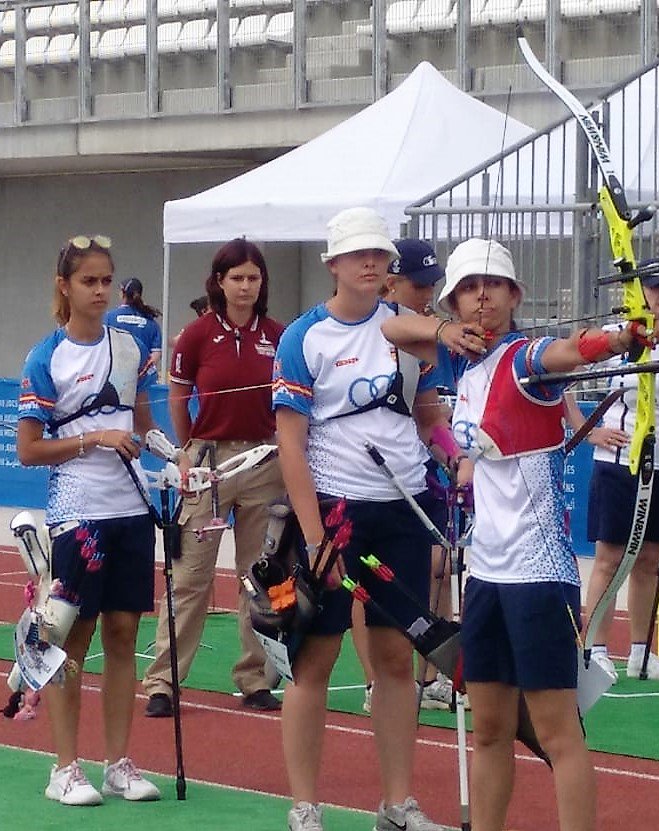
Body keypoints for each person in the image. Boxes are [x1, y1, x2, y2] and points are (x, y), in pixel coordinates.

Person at [382, 237, 659, 831]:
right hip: (485, 573)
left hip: (537, 576)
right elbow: (390, 329)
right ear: (453, 300)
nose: (481, 296)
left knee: (558, 733)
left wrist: (617, 339)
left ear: (515, 295)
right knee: (488, 729)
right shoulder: (464, 360)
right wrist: (443, 331)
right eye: (468, 287)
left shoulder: (521, 358)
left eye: (494, 284)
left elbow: (566, 352)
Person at [272, 208, 451, 831]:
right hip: (333, 512)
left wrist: (455, 456)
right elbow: (290, 444)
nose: (371, 263)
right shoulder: (303, 338)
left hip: (402, 508)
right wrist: (316, 536)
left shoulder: (410, 330)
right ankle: (305, 805)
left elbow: (427, 413)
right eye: (358, 255)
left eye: (378, 254)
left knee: (397, 657)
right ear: (334, 264)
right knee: (313, 660)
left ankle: (397, 804)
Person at [17, 234, 162, 805]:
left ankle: (118, 763)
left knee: (124, 634)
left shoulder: (129, 348)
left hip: (131, 508)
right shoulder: (44, 356)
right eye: (89, 281)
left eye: (107, 280)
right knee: (71, 640)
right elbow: (30, 449)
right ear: (65, 287)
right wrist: (93, 437)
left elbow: (145, 425)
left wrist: (176, 461)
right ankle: (64, 768)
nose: (100, 290)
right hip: (78, 512)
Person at [142, 238, 286, 717]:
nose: (246, 286)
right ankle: (164, 681)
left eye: (253, 277)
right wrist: (188, 451)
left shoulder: (279, 335)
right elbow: (180, 394)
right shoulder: (196, 336)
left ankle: (255, 678)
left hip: (265, 461)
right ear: (219, 282)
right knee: (189, 576)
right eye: (237, 277)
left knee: (260, 576)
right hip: (208, 462)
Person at [568, 284, 659, 682]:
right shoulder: (613, 337)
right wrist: (589, 432)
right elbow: (561, 383)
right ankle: (595, 647)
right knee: (610, 559)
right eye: (652, 291)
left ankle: (641, 651)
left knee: (650, 561)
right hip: (619, 462)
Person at [356, 237, 460, 714]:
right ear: (390, 281)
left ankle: (430, 675)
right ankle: (374, 679)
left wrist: (456, 457)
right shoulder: (362, 328)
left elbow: (430, 416)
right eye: (418, 285)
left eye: (433, 285)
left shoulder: (422, 342)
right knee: (363, 584)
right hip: (356, 480)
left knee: (438, 566)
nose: (427, 294)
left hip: (411, 478)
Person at [104, 277, 162, 367]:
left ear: (122, 294)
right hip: (143, 378)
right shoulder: (151, 322)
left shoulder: (108, 318)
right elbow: (156, 354)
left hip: (114, 376)